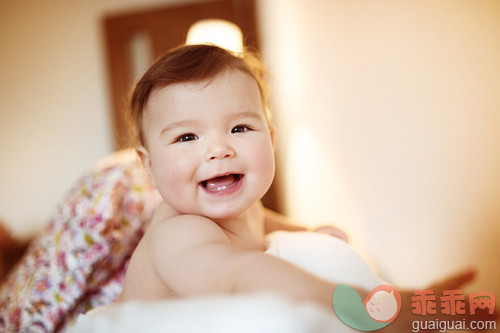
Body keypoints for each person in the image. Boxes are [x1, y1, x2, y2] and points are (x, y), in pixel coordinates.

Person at [116, 43, 355, 307]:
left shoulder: (246, 206)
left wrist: (309, 232)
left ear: (271, 140)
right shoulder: (179, 231)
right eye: (187, 136)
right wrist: (344, 304)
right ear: (149, 165)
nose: (219, 150)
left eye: (240, 128)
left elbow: (261, 221)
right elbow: (234, 276)